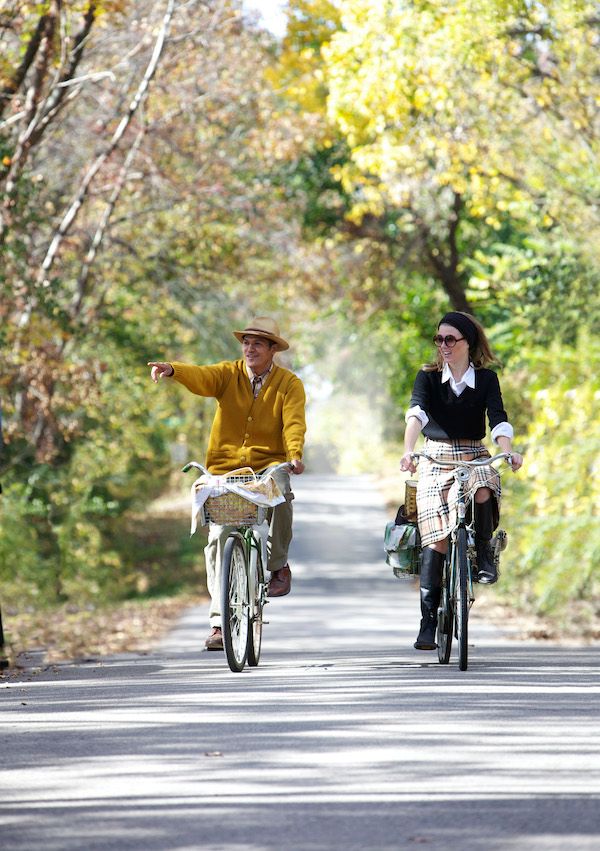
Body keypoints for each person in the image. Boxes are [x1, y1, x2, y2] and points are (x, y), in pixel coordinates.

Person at [148, 317, 306, 651]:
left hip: (268, 465)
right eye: (246, 342)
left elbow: (294, 422)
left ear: (272, 349)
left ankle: (277, 566)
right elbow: (201, 376)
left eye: (258, 343)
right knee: (218, 535)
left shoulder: (289, 384)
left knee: (282, 494)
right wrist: (173, 369)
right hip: (224, 469)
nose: (250, 348)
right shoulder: (228, 374)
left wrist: (294, 455)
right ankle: (219, 623)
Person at [399, 311, 523, 651]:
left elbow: (498, 420)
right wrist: (409, 451)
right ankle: (427, 622)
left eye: (450, 339)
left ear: (468, 343)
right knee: (436, 540)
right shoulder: (427, 377)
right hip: (435, 456)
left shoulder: (486, 380)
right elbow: (416, 414)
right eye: (439, 339)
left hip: (473, 453)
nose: (443, 346)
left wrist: (508, 452)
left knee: (485, 484)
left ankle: (483, 551)